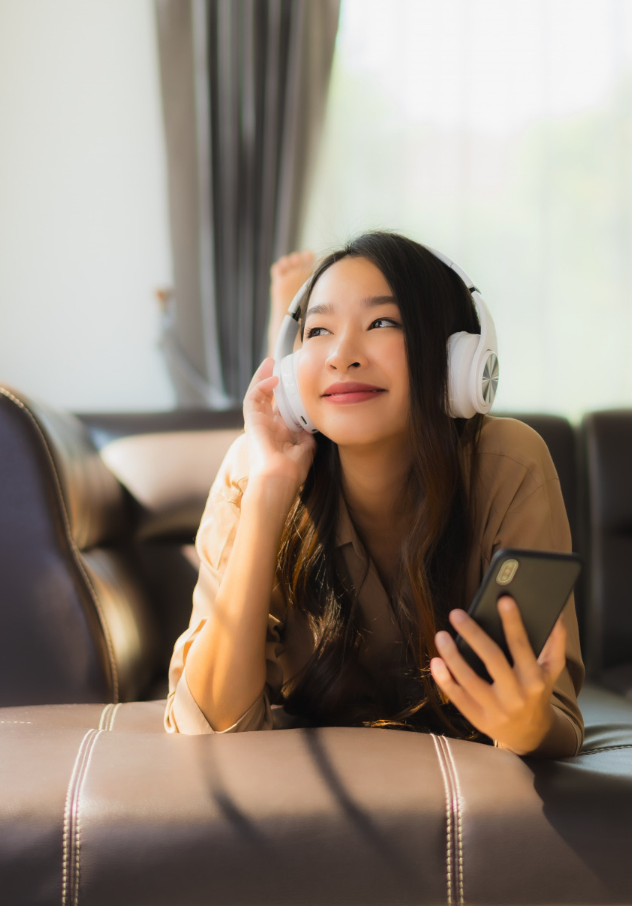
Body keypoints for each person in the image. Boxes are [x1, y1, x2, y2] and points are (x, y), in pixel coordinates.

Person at [165, 231, 584, 757]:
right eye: (317, 330)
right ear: (291, 378)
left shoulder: (509, 465)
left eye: (382, 322)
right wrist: (270, 490)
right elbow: (208, 724)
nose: (341, 355)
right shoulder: (253, 472)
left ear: (458, 359)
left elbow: (557, 715)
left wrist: (525, 726)